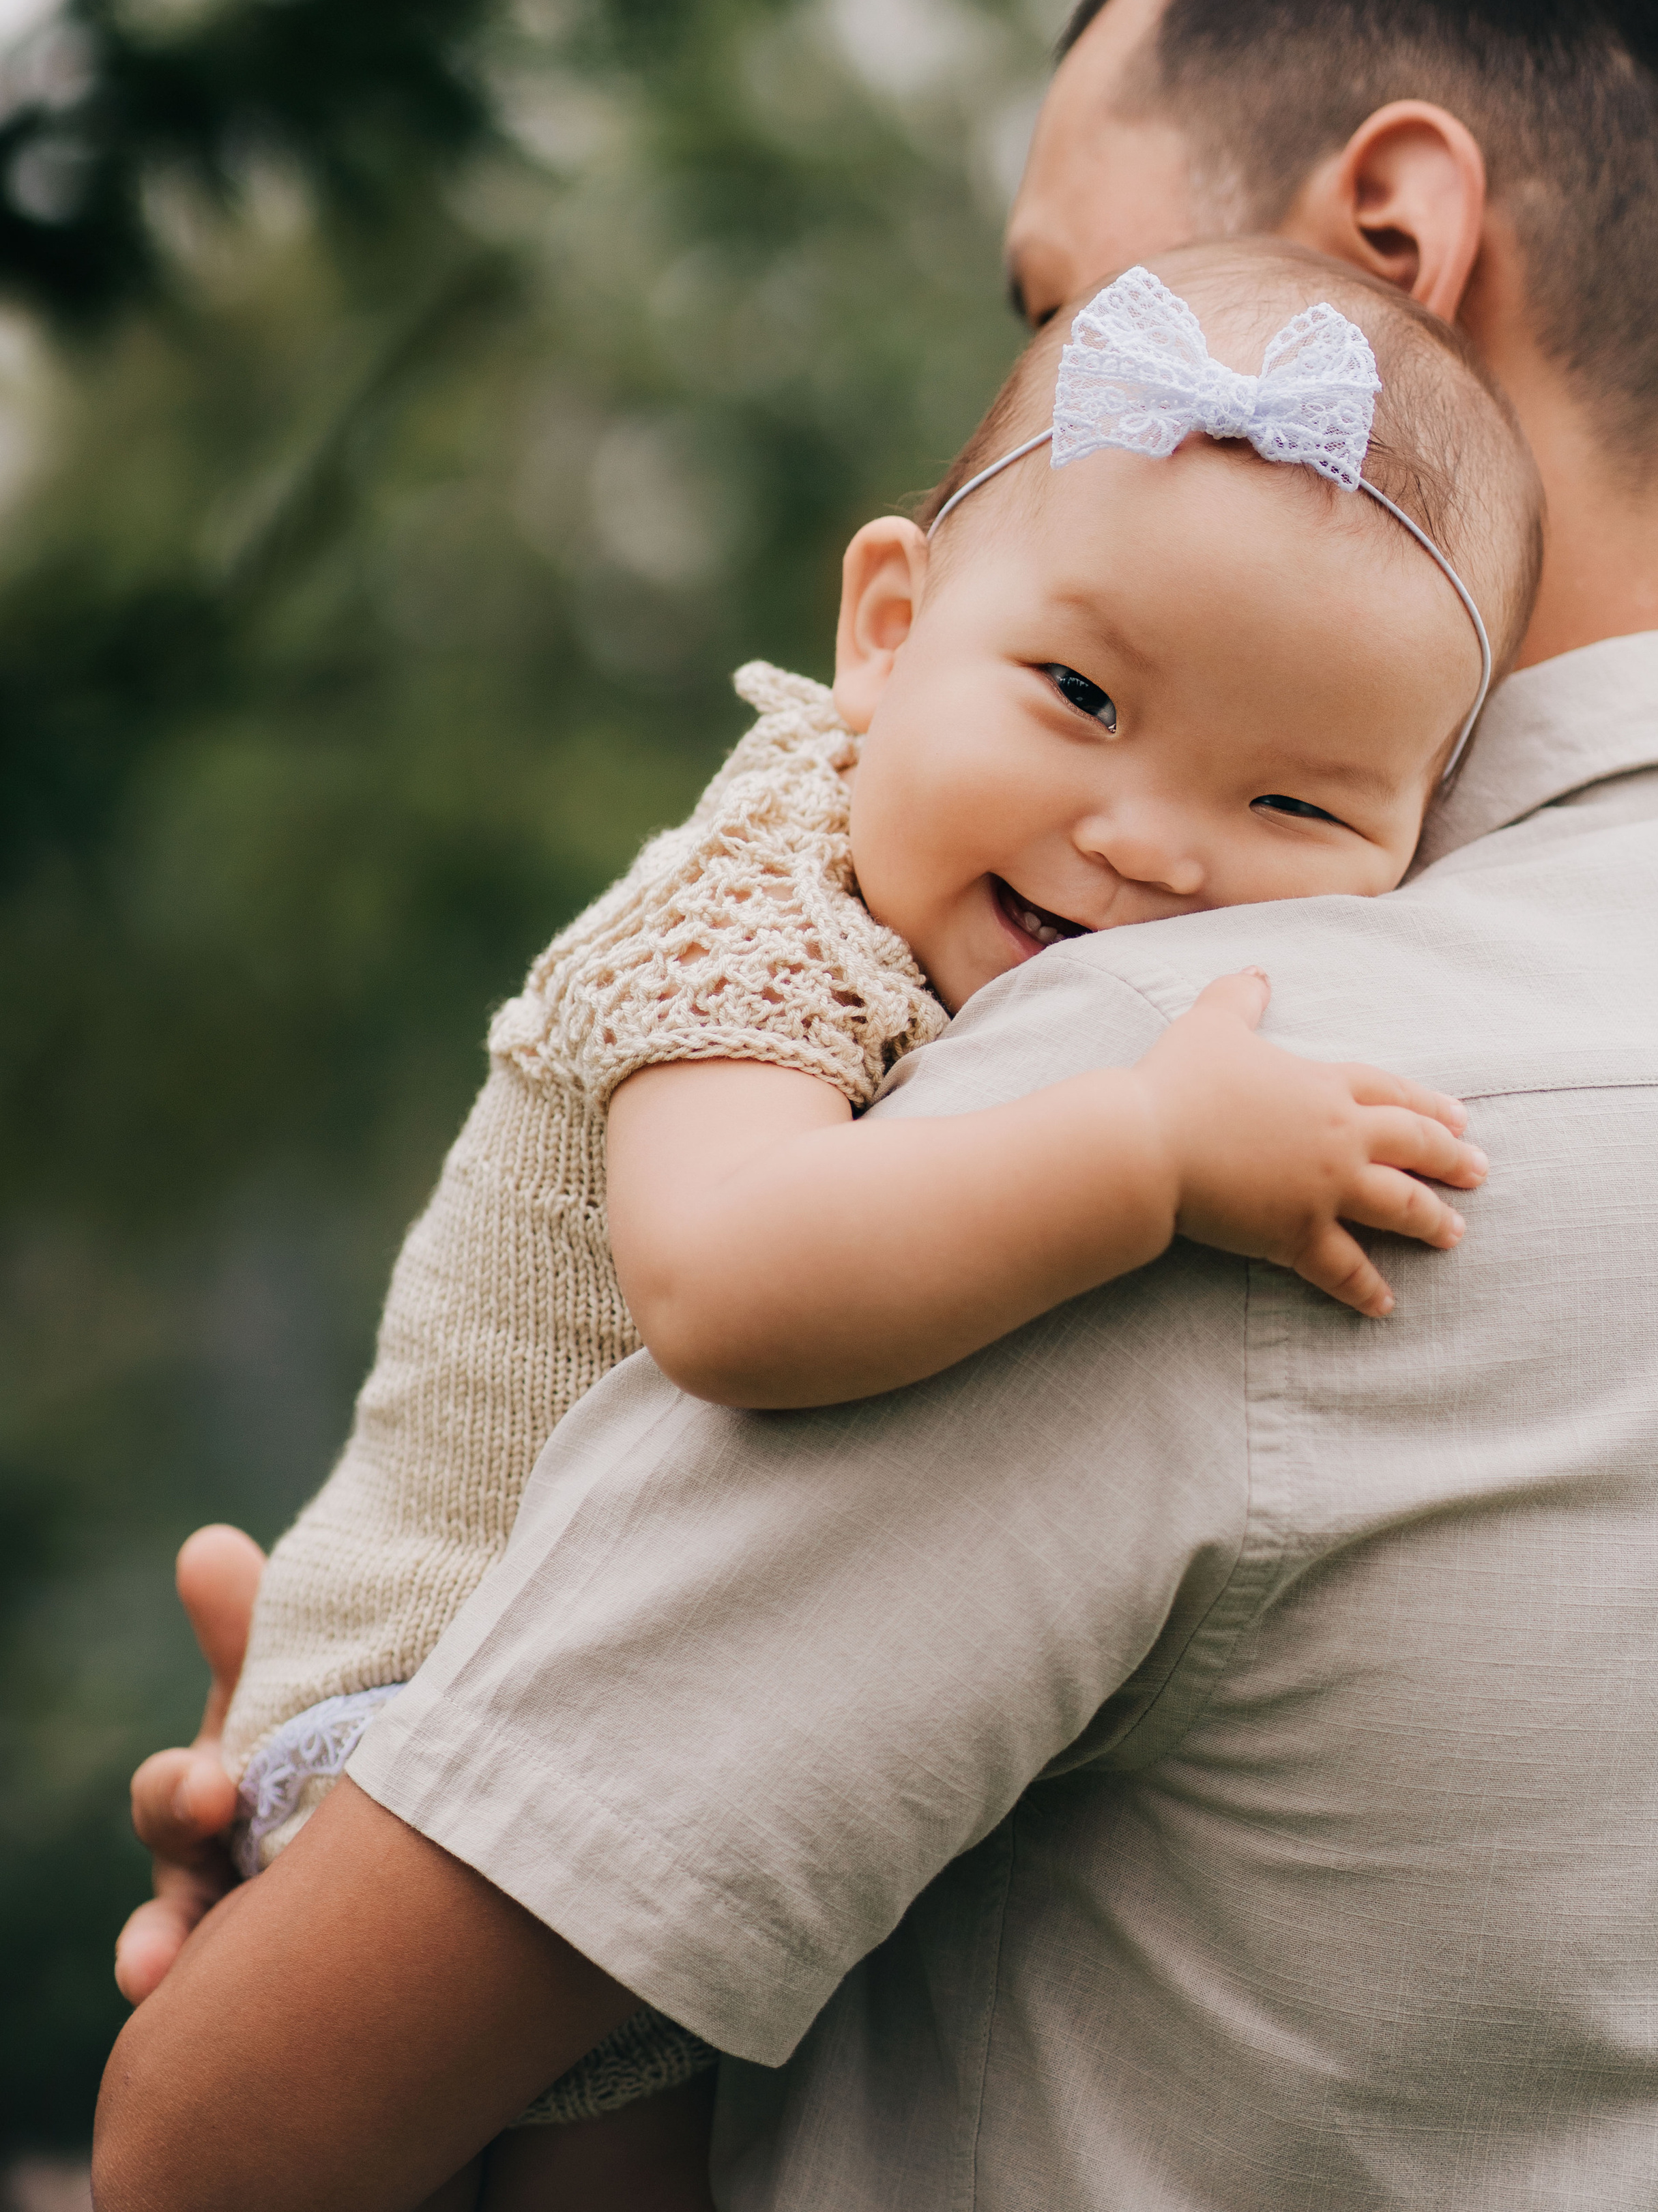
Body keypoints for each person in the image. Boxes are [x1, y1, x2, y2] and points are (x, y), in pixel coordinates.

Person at [100, 0, 1658, 2212]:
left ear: (1388, 250)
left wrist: (325, 1925)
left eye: (1065, 303)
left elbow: (213, 2152)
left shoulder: (1191, 1091)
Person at [178, 236, 1528, 2207]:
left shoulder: (963, 928)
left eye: (1298, 809)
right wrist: (1151, 1156)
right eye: (1080, 695)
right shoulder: (755, 912)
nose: (1148, 843)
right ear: (887, 629)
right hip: (433, 1723)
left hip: (596, 1718)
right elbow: (729, 1282)